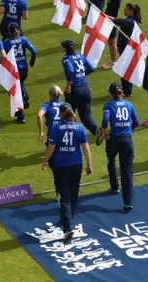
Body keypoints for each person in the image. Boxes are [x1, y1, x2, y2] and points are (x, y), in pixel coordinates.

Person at [42, 103, 93, 241]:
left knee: (63, 195)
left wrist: (45, 161)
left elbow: (51, 147)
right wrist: (89, 164)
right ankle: (70, 216)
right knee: (74, 191)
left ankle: (67, 227)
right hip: (76, 164)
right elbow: (86, 148)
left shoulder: (56, 128)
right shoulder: (80, 127)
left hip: (61, 165)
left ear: (61, 115)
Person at [101, 82, 139, 211]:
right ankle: (128, 202)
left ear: (110, 93)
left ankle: (114, 186)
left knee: (111, 161)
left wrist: (104, 132)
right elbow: (136, 122)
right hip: (127, 141)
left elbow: (105, 120)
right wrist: (128, 130)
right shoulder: (129, 104)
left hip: (113, 140)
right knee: (127, 170)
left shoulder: (108, 105)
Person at [61, 40, 102, 143]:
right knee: (85, 116)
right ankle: (96, 129)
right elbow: (91, 68)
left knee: (67, 114)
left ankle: (68, 138)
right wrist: (82, 75)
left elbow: (70, 71)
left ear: (65, 49)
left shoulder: (66, 59)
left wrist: (68, 85)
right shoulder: (81, 56)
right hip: (85, 89)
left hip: (74, 91)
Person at [3, 23, 36, 123]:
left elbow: (3, 57)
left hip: (13, 70)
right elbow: (34, 52)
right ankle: (24, 95)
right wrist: (31, 62)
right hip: (23, 70)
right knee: (20, 83)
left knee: (13, 92)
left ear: (9, 31)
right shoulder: (24, 40)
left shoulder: (6, 42)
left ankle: (20, 116)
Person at [85, 0, 122, 69]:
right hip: (107, 20)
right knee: (111, 43)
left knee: (112, 43)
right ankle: (113, 60)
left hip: (111, 22)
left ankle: (113, 62)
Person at [114, 3, 142, 97]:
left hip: (127, 50)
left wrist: (105, 16)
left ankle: (128, 91)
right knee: (124, 69)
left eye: (126, 9)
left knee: (125, 70)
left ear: (131, 11)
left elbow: (118, 21)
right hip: (124, 48)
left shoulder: (131, 22)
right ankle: (125, 89)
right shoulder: (129, 20)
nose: (124, 10)